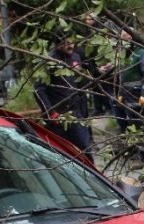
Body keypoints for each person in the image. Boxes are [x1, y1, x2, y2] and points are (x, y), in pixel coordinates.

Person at [102, 26, 144, 163]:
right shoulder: (126, 54)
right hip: (130, 98)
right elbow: (123, 77)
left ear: (132, 36)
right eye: (122, 37)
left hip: (142, 98)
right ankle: (138, 152)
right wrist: (121, 93)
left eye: (125, 36)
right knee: (134, 127)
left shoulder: (142, 52)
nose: (123, 39)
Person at [34, 32, 93, 163]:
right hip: (58, 117)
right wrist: (50, 113)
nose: (70, 46)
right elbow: (38, 90)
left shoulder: (76, 57)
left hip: (76, 114)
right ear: (58, 45)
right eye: (66, 43)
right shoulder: (50, 61)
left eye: (71, 42)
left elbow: (82, 84)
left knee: (85, 149)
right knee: (59, 153)